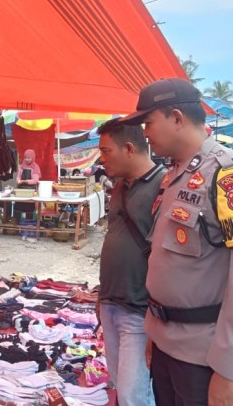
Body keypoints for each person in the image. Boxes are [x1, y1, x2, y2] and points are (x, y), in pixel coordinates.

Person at [121, 78, 233, 406]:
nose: (144, 133)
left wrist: (230, 371)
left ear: (177, 118)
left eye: (148, 122)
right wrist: (155, 332)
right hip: (166, 345)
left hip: (203, 357)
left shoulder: (230, 175)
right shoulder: (174, 175)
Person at [97, 119, 164, 406]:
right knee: (120, 387)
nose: (101, 158)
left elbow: (167, 258)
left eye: (106, 150)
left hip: (138, 311)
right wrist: (101, 295)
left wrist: (155, 316)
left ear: (128, 148)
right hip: (111, 302)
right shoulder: (120, 186)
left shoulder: (164, 186)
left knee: (132, 395)